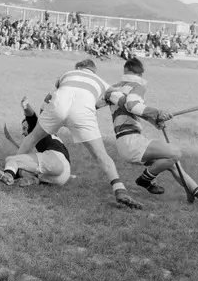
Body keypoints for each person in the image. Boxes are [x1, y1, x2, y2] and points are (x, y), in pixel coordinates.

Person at [11, 59, 143, 209]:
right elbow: (124, 103)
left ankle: (12, 169)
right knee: (101, 155)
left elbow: (48, 99)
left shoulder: (67, 74)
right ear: (93, 71)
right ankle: (120, 190)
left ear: (79, 67)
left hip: (58, 106)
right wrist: (154, 115)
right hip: (83, 112)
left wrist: (43, 119)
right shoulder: (102, 83)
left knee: (32, 138)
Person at [102, 57, 198, 208]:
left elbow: (131, 110)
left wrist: (155, 120)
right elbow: (133, 105)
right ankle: (145, 179)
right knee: (175, 153)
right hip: (131, 141)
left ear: (125, 70)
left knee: (172, 163)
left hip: (126, 142)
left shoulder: (114, 89)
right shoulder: (137, 85)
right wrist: (158, 113)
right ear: (140, 74)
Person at [0, 95, 71, 187]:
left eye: (24, 128)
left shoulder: (37, 128)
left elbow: (31, 116)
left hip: (55, 162)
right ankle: (33, 180)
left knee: (11, 159)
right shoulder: (49, 135)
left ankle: (8, 175)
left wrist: (25, 105)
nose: (23, 132)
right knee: (26, 168)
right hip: (62, 177)